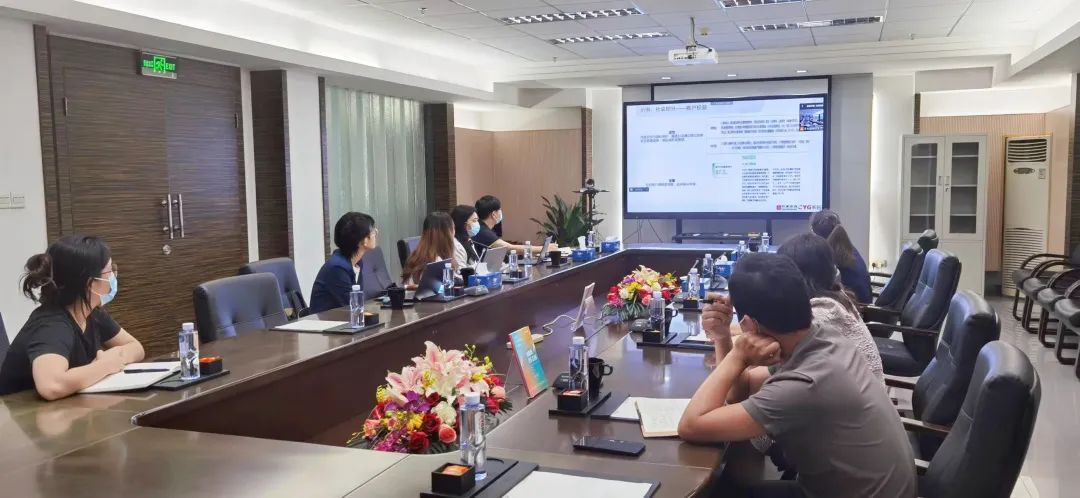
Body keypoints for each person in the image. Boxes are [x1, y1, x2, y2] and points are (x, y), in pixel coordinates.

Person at [678, 253, 915, 498]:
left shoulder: (804, 385)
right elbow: (741, 390)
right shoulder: (822, 335)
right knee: (729, 480)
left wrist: (738, 356)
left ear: (748, 325)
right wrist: (722, 337)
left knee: (714, 492)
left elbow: (691, 426)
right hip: (862, 489)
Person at [0, 235, 145, 400]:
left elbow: (136, 347)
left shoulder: (92, 313)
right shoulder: (52, 326)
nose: (113, 276)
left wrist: (116, 356)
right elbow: (51, 386)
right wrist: (105, 365)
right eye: (109, 271)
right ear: (91, 283)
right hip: (19, 412)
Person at [777, 233, 883, 385]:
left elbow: (774, 361)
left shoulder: (820, 315)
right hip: (861, 389)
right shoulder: (837, 296)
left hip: (848, 394)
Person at [310, 212, 378, 314]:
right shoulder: (337, 268)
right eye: (373, 231)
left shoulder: (357, 262)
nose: (376, 233)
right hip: (328, 322)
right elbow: (353, 307)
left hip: (344, 320)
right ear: (364, 240)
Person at [810, 210, 872, 304]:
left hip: (855, 308)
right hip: (863, 304)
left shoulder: (828, 256)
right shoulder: (847, 248)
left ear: (816, 234)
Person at [473, 195, 556, 257]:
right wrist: (544, 248)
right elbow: (510, 248)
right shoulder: (483, 231)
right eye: (499, 210)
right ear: (494, 214)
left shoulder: (483, 228)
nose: (501, 212)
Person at [401, 212, 458, 285]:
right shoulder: (437, 262)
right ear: (448, 233)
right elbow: (447, 287)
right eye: (453, 228)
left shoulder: (417, 256)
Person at [450, 204, 481, 269]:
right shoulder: (456, 244)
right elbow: (460, 271)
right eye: (474, 221)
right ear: (462, 223)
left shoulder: (468, 240)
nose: (477, 223)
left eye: (477, 220)